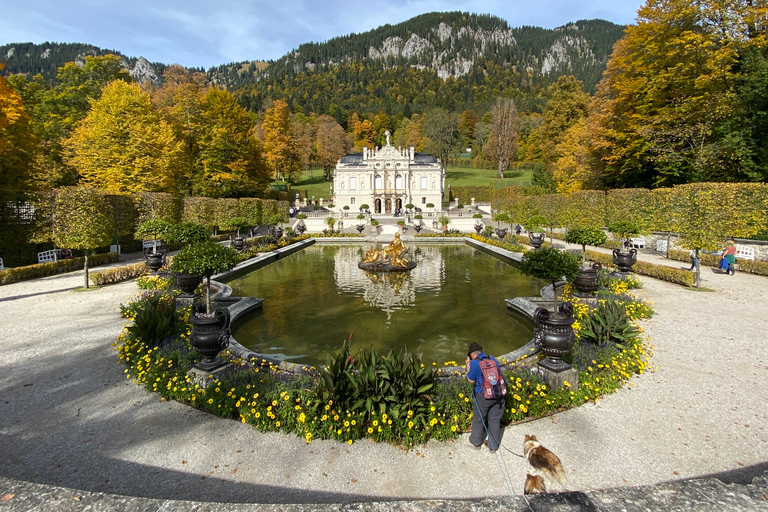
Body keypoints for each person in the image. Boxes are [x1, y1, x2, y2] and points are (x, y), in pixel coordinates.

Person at [465, 342, 505, 453]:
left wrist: (468, 364)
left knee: (479, 418)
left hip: (484, 396)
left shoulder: (474, 363)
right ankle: (493, 446)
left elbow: (471, 379)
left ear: (472, 354)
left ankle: (476, 441)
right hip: (498, 393)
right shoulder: (491, 357)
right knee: (495, 419)